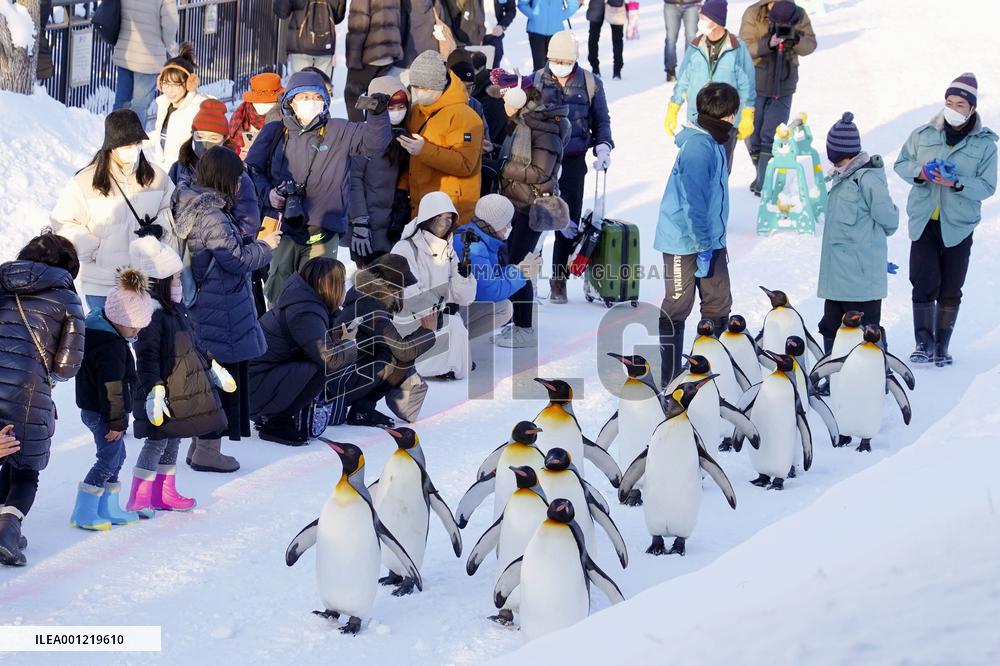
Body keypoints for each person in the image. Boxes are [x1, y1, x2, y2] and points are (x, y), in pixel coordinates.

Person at [173, 147, 280, 472]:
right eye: (236, 179)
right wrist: (266, 247)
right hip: (220, 307)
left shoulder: (190, 200)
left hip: (205, 304)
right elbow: (234, 260)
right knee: (221, 377)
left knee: (208, 373)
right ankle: (208, 450)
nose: (238, 185)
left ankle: (199, 447)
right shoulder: (212, 215)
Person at [246, 70, 392, 305]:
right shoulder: (275, 130)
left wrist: (377, 114)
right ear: (290, 101)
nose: (310, 103)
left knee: (317, 293)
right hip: (280, 228)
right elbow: (251, 171)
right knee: (278, 291)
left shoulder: (339, 130)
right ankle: (277, 338)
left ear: (324, 101)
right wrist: (269, 195)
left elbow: (374, 143)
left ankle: (313, 338)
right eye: (303, 97)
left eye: (316, 97)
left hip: (323, 228)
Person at [894, 73, 997, 367]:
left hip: (959, 225)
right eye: (949, 102)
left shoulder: (985, 145)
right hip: (925, 220)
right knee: (923, 281)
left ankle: (942, 345)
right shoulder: (923, 134)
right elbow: (901, 163)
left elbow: (988, 187)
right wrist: (922, 172)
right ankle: (923, 343)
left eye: (960, 104)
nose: (953, 108)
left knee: (951, 286)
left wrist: (957, 182)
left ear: (972, 109)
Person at [0, 233, 85, 567]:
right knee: (25, 469)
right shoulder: (67, 298)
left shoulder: (2, 281)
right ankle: (8, 528)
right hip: (28, 394)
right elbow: (68, 365)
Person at [126, 237, 227, 516]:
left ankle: (164, 492)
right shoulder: (152, 315)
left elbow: (192, 345)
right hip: (159, 391)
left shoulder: (176, 310)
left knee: (174, 438)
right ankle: (140, 495)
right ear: (159, 282)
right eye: (175, 278)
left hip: (179, 390)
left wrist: (212, 367)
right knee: (156, 441)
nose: (180, 283)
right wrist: (154, 390)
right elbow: (146, 358)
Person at [654, 82, 740, 388]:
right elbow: (693, 204)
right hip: (683, 241)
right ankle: (668, 375)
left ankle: (713, 369)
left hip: (711, 239)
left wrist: (712, 243)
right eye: (733, 114)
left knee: (718, 303)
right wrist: (703, 244)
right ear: (726, 116)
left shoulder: (715, 141)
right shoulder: (698, 149)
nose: (735, 120)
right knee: (677, 304)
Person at [52, 109, 175, 311]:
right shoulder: (85, 181)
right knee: (107, 339)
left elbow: (171, 209)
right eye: (127, 145)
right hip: (102, 282)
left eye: (137, 144)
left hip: (146, 279)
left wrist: (159, 228)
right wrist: (93, 248)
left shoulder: (157, 177)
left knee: (145, 341)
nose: (133, 149)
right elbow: (63, 222)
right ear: (112, 146)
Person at [533, 31, 613, 304]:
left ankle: (559, 280)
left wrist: (603, 145)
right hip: (541, 158)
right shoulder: (535, 80)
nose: (559, 65)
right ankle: (526, 279)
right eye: (554, 60)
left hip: (574, 158)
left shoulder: (590, 82)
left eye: (564, 61)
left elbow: (602, 119)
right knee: (537, 217)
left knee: (568, 221)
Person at [70, 268, 152, 531]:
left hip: (98, 409)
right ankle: (85, 510)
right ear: (121, 320)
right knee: (108, 457)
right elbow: (112, 388)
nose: (137, 330)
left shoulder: (101, 330)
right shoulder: (110, 347)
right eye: (135, 325)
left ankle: (107, 506)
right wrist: (116, 422)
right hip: (102, 411)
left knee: (117, 455)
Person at [250, 258, 358, 445]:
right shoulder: (305, 312)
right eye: (341, 283)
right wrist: (348, 344)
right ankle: (276, 423)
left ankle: (272, 417)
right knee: (320, 368)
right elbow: (329, 361)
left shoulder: (303, 300)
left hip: (255, 380)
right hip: (254, 385)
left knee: (315, 363)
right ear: (330, 286)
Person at [494, 79, 567, 347]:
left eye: (505, 102)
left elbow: (540, 172)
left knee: (520, 265)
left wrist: (503, 167)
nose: (503, 106)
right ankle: (515, 323)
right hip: (518, 204)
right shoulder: (524, 124)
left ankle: (524, 327)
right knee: (511, 261)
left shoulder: (542, 127)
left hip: (533, 208)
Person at [817, 113, 899, 352]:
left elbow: (889, 220)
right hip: (836, 276)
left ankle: (875, 372)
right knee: (831, 325)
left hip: (860, 278)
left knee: (866, 329)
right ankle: (833, 372)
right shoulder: (840, 178)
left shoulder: (868, 180)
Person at [334, 254, 438, 427]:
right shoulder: (372, 307)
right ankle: (362, 410)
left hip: (339, 378)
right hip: (339, 385)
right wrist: (427, 331)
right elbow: (404, 351)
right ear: (393, 286)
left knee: (387, 352)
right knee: (395, 358)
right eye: (402, 287)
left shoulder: (363, 298)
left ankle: (363, 408)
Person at [391, 192, 477, 379]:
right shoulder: (405, 248)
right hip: (409, 318)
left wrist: (464, 277)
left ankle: (452, 365)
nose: (445, 224)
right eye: (441, 218)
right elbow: (407, 292)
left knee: (456, 323)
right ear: (428, 218)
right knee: (451, 324)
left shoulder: (449, 249)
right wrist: (438, 307)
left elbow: (465, 298)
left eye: (449, 219)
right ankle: (431, 366)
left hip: (438, 314)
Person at [665, 0, 755, 170]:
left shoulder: (737, 47)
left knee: (720, 170)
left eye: (704, 17)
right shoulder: (695, 45)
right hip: (696, 119)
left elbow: (747, 84)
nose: (700, 20)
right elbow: (684, 78)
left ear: (717, 20)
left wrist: (747, 113)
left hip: (725, 121)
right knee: (696, 168)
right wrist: (673, 106)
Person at [740, 0, 817, 195]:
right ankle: (761, 174)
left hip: (784, 82)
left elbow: (811, 44)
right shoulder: (753, 13)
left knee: (771, 134)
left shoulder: (798, 13)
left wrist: (796, 39)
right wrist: (769, 43)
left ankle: (765, 183)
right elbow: (744, 48)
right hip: (754, 82)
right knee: (752, 134)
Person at [400, 51, 485, 225]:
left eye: (424, 88)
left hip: (451, 211)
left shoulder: (466, 117)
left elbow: (465, 164)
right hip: (420, 206)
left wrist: (424, 150)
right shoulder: (416, 111)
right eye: (415, 87)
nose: (419, 92)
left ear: (440, 86)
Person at [168, 99, 261, 238]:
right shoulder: (179, 168)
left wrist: (223, 241)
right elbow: (167, 209)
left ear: (224, 139)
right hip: (182, 250)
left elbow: (248, 222)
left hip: (220, 249)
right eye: (200, 136)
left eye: (213, 137)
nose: (205, 144)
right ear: (192, 135)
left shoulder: (237, 174)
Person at [453, 194, 538, 339]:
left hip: (452, 304)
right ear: (496, 223)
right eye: (506, 222)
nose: (509, 227)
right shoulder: (475, 248)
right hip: (448, 311)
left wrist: (518, 269)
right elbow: (489, 293)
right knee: (503, 308)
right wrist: (522, 273)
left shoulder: (474, 234)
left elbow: (490, 276)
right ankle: (456, 340)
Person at [348, 77, 411, 268]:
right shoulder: (363, 137)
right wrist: (359, 222)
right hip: (367, 231)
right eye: (390, 108)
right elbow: (353, 181)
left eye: (401, 107)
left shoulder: (410, 137)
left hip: (398, 228)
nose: (397, 113)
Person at [113, 0, 179, 120]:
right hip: (149, 57)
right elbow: (170, 23)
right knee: (140, 106)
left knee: (122, 102)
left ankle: (115, 136)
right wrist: (168, 43)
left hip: (125, 50)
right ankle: (136, 138)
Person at [151, 44, 210, 170]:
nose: (169, 90)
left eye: (176, 85)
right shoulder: (163, 104)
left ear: (190, 83)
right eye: (166, 83)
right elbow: (160, 136)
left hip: (187, 173)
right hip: (164, 170)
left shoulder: (199, 107)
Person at [344, 0, 404, 121]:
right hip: (388, 52)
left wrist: (353, 60)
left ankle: (359, 135)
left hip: (371, 52)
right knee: (375, 96)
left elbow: (358, 26)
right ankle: (374, 131)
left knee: (352, 95)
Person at [273, 0, 347, 79]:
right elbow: (338, 15)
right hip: (325, 42)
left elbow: (282, 11)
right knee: (322, 86)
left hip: (300, 44)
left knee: (300, 85)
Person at [228, 73, 285, 159]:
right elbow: (231, 146)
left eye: (268, 102)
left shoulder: (285, 117)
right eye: (260, 101)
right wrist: (239, 156)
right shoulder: (242, 113)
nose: (263, 105)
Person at [518, 0, 583, 71]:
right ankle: (538, 81)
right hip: (536, 31)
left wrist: (560, 16)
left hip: (556, 32)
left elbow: (573, 5)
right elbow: (522, 4)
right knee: (539, 67)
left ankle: (552, 82)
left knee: (554, 66)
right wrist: (534, 15)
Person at [586, 0, 639, 80]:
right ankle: (595, 67)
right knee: (594, 37)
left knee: (617, 38)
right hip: (597, 5)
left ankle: (617, 69)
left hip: (616, 6)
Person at [663, 1, 701, 82]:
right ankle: (670, 69)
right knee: (671, 38)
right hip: (671, 4)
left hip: (692, 4)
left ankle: (689, 69)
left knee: (691, 37)